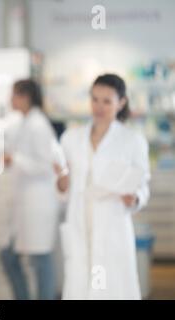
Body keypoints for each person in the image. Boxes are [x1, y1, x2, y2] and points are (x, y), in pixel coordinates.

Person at [55, 74, 150, 299]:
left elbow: (142, 185)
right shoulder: (71, 138)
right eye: (95, 99)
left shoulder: (132, 141)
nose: (99, 107)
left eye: (107, 101)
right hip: (80, 224)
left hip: (110, 226)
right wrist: (61, 181)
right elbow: (62, 187)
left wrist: (135, 198)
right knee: (80, 286)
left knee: (104, 287)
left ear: (121, 103)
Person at [0, 79, 60, 299]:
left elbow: (46, 165)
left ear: (25, 97)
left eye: (14, 94)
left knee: (40, 262)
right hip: (25, 204)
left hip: (38, 204)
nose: (10, 99)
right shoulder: (24, 121)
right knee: (9, 256)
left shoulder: (38, 125)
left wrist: (14, 159)